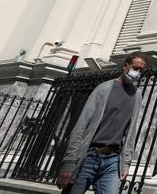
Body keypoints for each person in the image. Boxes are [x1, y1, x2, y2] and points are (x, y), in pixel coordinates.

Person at [56, 52, 146, 193]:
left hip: (113, 160)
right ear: (125, 66)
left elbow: (131, 131)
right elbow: (81, 126)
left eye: (141, 70)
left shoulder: (137, 95)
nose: (138, 72)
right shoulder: (103, 89)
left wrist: (126, 163)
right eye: (135, 68)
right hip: (88, 156)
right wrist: (69, 163)